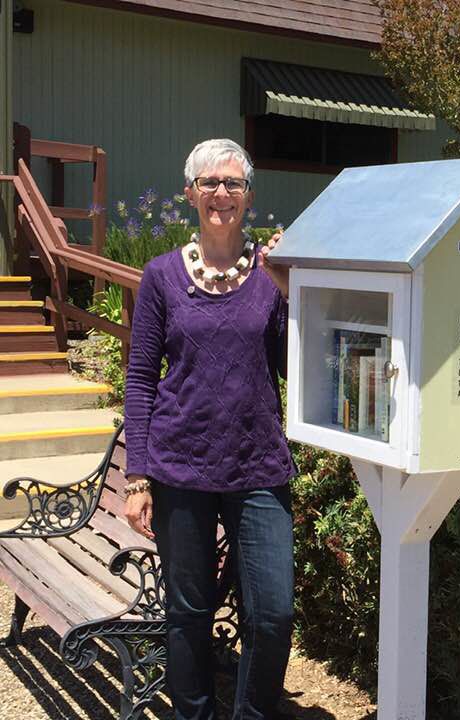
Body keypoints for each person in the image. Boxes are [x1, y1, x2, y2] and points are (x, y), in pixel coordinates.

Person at [123, 138, 294, 720]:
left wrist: (291, 291)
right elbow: (142, 378)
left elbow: (296, 365)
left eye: (234, 184)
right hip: (182, 466)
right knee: (189, 613)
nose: (222, 193)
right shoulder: (162, 277)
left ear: (248, 196)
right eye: (211, 183)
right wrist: (137, 475)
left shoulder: (271, 275)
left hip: (258, 467)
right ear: (191, 191)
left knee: (271, 613)